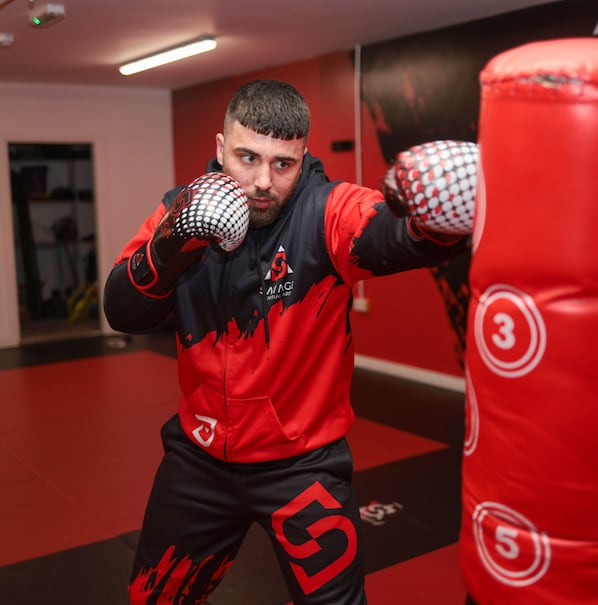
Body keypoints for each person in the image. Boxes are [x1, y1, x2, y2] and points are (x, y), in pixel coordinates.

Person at [103, 79, 476, 604]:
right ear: (219, 148)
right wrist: (168, 249)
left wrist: (440, 217)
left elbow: (388, 235)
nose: (262, 181)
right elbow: (121, 311)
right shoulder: (180, 212)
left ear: (303, 158)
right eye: (247, 157)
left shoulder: (325, 212)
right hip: (199, 461)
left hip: (302, 466)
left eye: (283, 164)